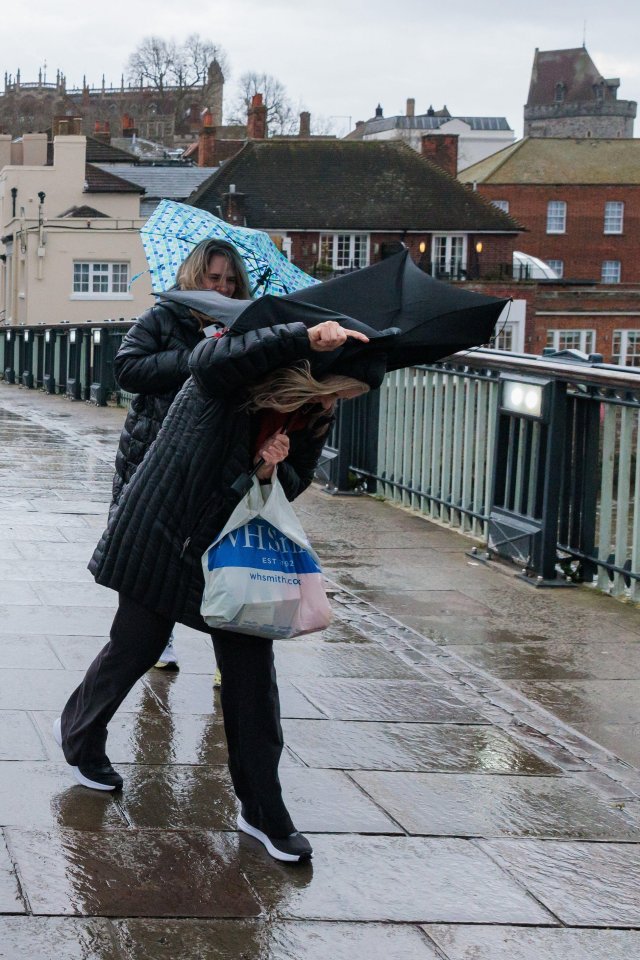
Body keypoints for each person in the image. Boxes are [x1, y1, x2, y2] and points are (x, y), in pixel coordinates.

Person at [54, 317, 372, 863]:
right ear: (319, 372)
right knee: (135, 645)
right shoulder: (235, 373)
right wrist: (302, 336)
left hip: (231, 548)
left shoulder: (315, 413)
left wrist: (271, 471)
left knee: (252, 679)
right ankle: (81, 738)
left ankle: (263, 811)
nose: (344, 400)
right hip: (166, 528)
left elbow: (295, 482)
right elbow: (206, 361)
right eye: (344, 388)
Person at [112, 238, 251, 674]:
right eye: (214, 278)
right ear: (195, 276)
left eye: (231, 279)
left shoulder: (247, 325)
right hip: (154, 450)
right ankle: (158, 641)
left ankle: (225, 653)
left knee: (217, 555)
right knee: (147, 549)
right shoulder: (164, 316)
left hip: (214, 458)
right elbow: (128, 368)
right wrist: (197, 357)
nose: (224, 287)